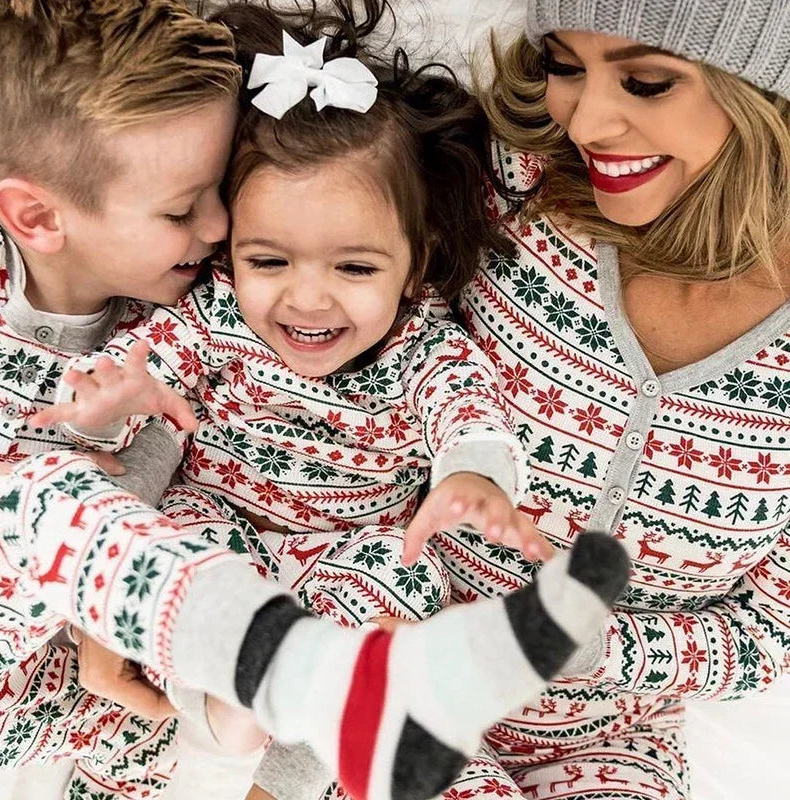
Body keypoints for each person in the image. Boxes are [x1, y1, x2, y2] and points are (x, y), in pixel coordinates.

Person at [29, 1, 553, 795]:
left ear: (416, 268)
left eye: (354, 269)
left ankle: (286, 772)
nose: (308, 302)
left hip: (341, 554)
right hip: (224, 531)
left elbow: (467, 415)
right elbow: (153, 427)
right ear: (228, 249)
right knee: (171, 555)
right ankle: (163, 739)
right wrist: (116, 435)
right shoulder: (211, 317)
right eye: (269, 260)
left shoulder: (422, 345)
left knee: (399, 581)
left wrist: (470, 480)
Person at [429, 0, 790, 797]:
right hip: (390, 662)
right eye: (564, 65)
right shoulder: (512, 187)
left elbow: (768, 634)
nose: (587, 120)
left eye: (649, 80)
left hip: (618, 743)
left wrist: (583, 647)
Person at [0, 1, 240, 796]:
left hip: (79, 669)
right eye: (181, 210)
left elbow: (173, 441)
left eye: (220, 188)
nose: (219, 224)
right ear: (36, 216)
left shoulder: (194, 318)